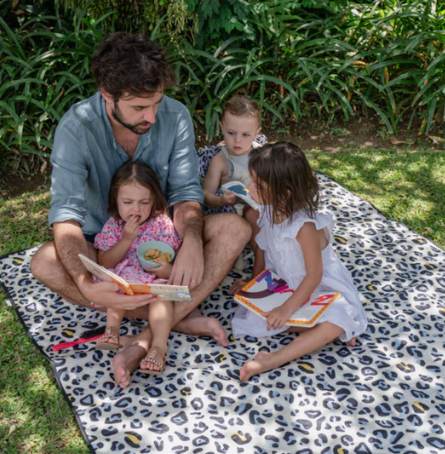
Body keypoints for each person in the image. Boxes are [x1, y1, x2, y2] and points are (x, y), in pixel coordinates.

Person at [30, 33, 251, 387]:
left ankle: (142, 338)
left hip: (164, 235)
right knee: (44, 261)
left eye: (156, 103)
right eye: (138, 108)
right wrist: (87, 283)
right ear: (107, 95)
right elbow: (66, 215)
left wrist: (192, 241)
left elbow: (184, 193)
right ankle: (172, 319)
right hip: (105, 246)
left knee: (236, 230)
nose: (150, 115)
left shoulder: (175, 116)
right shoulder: (76, 127)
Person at [229, 142, 368, 382]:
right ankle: (326, 332)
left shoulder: (304, 226)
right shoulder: (267, 210)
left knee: (340, 315)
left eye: (258, 186)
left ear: (285, 192)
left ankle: (273, 358)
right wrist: (254, 283)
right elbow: (262, 249)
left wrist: (287, 308)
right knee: (256, 316)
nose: (250, 188)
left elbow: (314, 275)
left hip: (320, 288)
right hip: (286, 286)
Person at [94, 161, 181, 374]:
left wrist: (164, 270)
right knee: (113, 283)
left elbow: (173, 267)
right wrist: (126, 239)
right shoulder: (114, 225)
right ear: (116, 200)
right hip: (125, 279)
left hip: (152, 281)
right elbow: (105, 263)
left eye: (144, 202)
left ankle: (159, 347)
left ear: (154, 200)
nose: (136, 210)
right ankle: (112, 329)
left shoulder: (162, 223)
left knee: (162, 298)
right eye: (128, 202)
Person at [202, 95, 261, 274]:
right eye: (231, 133)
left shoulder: (260, 155)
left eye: (245, 135)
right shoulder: (220, 161)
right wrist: (221, 201)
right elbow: (205, 195)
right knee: (253, 217)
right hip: (232, 210)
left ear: (256, 133)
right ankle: (260, 261)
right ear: (222, 128)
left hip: (259, 204)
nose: (237, 141)